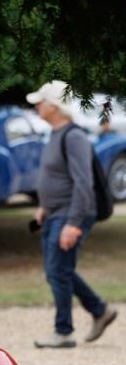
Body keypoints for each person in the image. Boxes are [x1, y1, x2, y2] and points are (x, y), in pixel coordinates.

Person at [27, 80, 117, 348]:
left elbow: (83, 183)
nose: (36, 106)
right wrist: (44, 206)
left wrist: (74, 224)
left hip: (72, 214)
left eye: (40, 101)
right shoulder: (56, 133)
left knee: (57, 270)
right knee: (57, 270)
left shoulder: (74, 136)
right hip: (55, 212)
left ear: (54, 106)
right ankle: (100, 310)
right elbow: (57, 176)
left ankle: (63, 331)